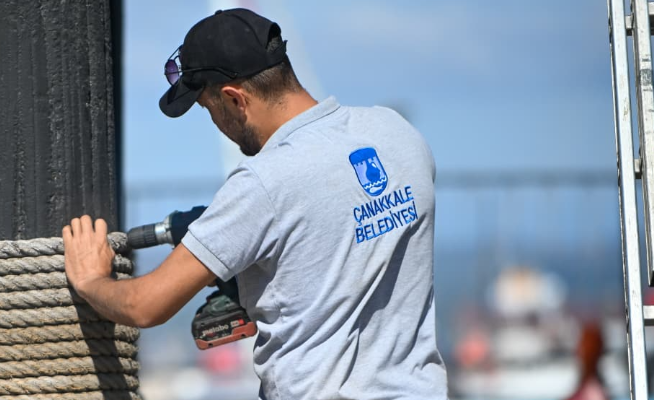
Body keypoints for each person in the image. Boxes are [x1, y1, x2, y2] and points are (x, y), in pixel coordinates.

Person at [62, 8, 447, 399]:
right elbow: (345, 240)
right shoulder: (398, 134)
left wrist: (92, 280)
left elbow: (146, 305)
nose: (215, 122)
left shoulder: (262, 184)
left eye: (209, 109)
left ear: (234, 99)